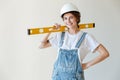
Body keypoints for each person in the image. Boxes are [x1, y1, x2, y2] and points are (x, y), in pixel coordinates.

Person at [39, 3, 109, 80]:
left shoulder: (86, 37)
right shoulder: (60, 35)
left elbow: (105, 53)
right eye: (65, 18)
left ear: (77, 18)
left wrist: (87, 65)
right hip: (57, 77)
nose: (68, 21)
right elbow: (42, 45)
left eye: (71, 17)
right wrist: (51, 30)